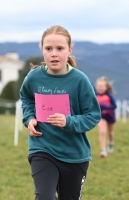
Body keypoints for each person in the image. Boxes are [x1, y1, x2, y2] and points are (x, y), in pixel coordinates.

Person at [20, 25, 101, 200]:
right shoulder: (33, 78)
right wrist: (29, 118)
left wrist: (68, 122)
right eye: (48, 49)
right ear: (42, 49)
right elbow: (26, 98)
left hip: (74, 154)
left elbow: (93, 115)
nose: (54, 54)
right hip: (42, 148)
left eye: (60, 48)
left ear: (70, 50)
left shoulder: (80, 80)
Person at [95, 76, 117, 158]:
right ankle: (103, 150)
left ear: (106, 87)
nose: (100, 88)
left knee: (110, 132)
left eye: (102, 86)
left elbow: (114, 106)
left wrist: (104, 107)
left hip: (110, 116)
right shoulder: (95, 96)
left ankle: (111, 143)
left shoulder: (109, 96)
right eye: (99, 86)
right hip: (101, 116)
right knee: (102, 132)